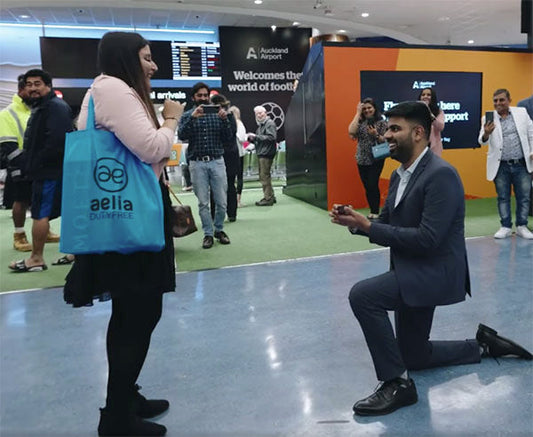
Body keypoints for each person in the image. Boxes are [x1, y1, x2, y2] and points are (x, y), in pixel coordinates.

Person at [330, 101, 532, 417]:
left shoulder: (442, 175)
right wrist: (360, 224)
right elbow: (386, 223)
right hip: (413, 269)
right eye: (388, 128)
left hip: (434, 273)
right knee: (414, 355)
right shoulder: (399, 176)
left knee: (363, 296)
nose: (388, 135)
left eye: (395, 129)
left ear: (420, 133)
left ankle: (397, 384)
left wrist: (370, 227)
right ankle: (482, 345)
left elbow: (428, 240)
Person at [63, 31, 185, 436]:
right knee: (137, 313)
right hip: (128, 219)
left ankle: (125, 397)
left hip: (127, 215)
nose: (153, 65)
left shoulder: (112, 89)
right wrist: (170, 119)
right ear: (125, 58)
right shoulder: (113, 88)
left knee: (135, 313)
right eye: (147, 57)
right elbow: (153, 148)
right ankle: (115, 417)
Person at [8, 69, 72, 272]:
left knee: (40, 214)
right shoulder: (43, 107)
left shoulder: (55, 107)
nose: (33, 88)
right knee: (63, 212)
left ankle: (36, 259)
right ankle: (75, 253)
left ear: (48, 86)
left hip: (50, 172)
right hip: (46, 171)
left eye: (37, 83)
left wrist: (34, 163)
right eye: (29, 84)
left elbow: (57, 142)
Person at [178, 82, 233, 249]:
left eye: (205, 95)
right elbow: (182, 135)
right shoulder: (187, 115)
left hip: (217, 161)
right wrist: (192, 118)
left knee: (221, 201)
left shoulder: (218, 114)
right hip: (197, 163)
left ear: (209, 96)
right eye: (199, 95)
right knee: (203, 203)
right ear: (193, 97)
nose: (203, 98)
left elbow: (228, 138)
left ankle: (219, 229)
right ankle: (208, 233)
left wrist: (225, 121)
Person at [478, 88, 533, 239]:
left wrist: (532, 152)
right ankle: (505, 226)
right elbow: (481, 141)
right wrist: (486, 133)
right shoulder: (487, 119)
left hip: (521, 164)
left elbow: (531, 133)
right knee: (503, 197)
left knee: (524, 197)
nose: (498, 103)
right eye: (495, 101)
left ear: (509, 100)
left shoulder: (521, 113)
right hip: (500, 165)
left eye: (501, 100)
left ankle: (522, 226)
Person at [0, 74, 32, 251]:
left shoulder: (36, 110)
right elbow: (7, 145)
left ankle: (46, 230)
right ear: (20, 90)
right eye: (29, 87)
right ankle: (19, 235)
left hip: (38, 166)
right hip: (19, 165)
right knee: (21, 200)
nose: (34, 90)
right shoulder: (7, 113)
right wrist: (24, 162)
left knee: (40, 200)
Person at [347, 98, 388, 219]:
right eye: (364, 108)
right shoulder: (360, 122)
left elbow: (386, 141)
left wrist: (375, 134)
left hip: (377, 158)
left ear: (374, 108)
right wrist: (357, 113)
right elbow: (351, 132)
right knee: (367, 186)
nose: (367, 110)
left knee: (372, 184)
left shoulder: (381, 122)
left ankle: (375, 211)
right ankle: (372, 209)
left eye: (369, 107)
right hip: (361, 158)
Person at [210, 94, 239, 221]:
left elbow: (230, 135)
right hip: (217, 155)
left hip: (229, 156)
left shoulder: (230, 117)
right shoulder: (210, 119)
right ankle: (213, 215)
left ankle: (232, 214)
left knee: (230, 185)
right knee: (214, 186)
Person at [247, 105, 277, 206]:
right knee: (265, 175)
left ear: (266, 113)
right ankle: (270, 195)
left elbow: (272, 137)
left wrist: (256, 137)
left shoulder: (269, 124)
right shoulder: (262, 125)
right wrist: (253, 140)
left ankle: (268, 198)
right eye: (257, 114)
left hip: (266, 153)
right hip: (263, 153)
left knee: (264, 176)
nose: (259, 115)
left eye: (261, 113)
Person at [228, 105, 247, 208]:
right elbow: (242, 138)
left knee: (230, 178)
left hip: (229, 153)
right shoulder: (239, 124)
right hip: (238, 153)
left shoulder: (227, 123)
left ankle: (231, 201)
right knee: (239, 177)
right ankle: (237, 201)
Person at [418, 87, 445, 157]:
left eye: (428, 95)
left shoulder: (439, 111)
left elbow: (440, 127)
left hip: (434, 148)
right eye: (423, 95)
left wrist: (429, 112)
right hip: (418, 147)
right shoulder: (415, 111)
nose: (425, 97)